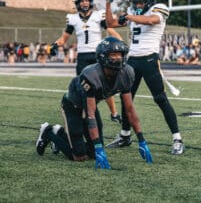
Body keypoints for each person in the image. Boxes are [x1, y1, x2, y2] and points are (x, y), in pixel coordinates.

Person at [36, 37, 153, 169]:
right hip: (73, 105)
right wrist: (98, 147)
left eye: (120, 54)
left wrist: (142, 140)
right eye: (113, 55)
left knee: (92, 153)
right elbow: (90, 115)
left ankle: (60, 133)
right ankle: (48, 132)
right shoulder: (91, 75)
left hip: (90, 105)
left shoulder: (127, 73)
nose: (118, 58)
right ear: (103, 57)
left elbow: (130, 109)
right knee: (79, 156)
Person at [105, 0, 185, 155]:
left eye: (141, 2)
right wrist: (108, 3)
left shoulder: (158, 8)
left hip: (149, 59)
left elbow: (151, 20)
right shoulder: (133, 12)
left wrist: (128, 16)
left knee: (160, 99)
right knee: (126, 98)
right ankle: (125, 135)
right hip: (132, 60)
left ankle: (177, 138)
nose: (137, 5)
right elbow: (110, 22)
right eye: (135, 2)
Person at [50, 0, 121, 124]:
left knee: (105, 85)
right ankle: (86, 112)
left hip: (98, 55)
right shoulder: (73, 19)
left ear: (91, 2)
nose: (84, 3)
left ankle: (114, 113)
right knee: (83, 87)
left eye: (87, 0)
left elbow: (110, 30)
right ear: (77, 4)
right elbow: (64, 38)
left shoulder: (98, 15)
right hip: (82, 56)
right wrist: (55, 45)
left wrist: (120, 40)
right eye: (82, 1)